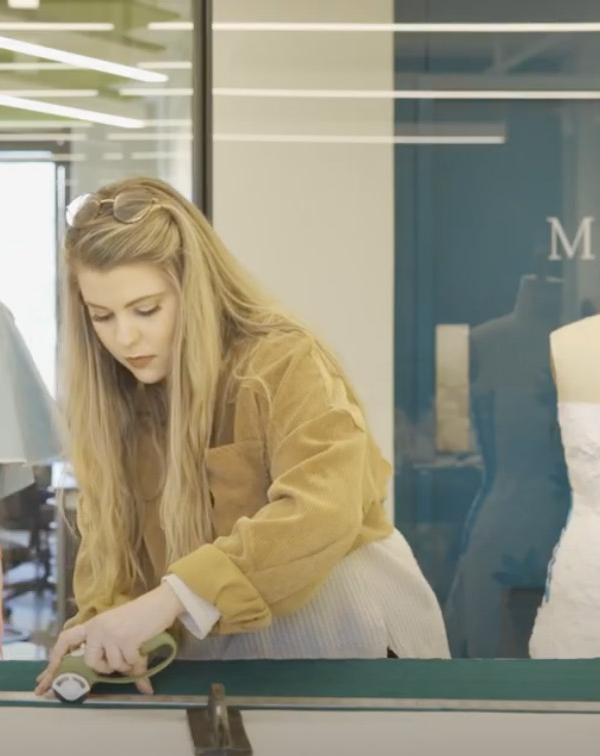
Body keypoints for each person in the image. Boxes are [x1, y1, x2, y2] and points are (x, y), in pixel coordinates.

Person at [35, 178, 448, 696]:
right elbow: (112, 547)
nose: (124, 338)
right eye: (102, 316)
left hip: (343, 625)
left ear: (195, 287)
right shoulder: (116, 401)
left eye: (146, 310)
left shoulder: (282, 360)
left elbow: (324, 508)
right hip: (219, 645)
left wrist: (168, 600)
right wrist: (100, 628)